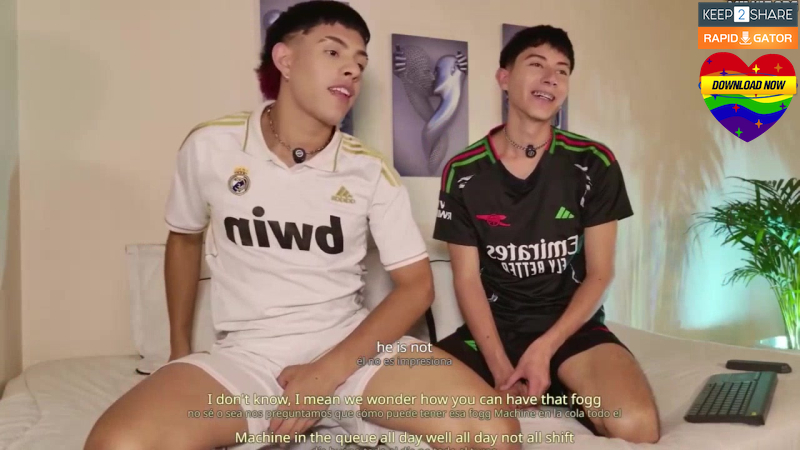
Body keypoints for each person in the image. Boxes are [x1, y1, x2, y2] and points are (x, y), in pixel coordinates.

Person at [83, 2, 521, 450]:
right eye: (333, 52)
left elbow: (418, 287)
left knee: (496, 433)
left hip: (351, 353)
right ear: (285, 60)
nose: (352, 69)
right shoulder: (210, 146)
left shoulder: (370, 170)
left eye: (360, 62)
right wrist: (178, 351)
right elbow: (183, 239)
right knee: (117, 444)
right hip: (249, 358)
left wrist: (325, 375)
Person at [432, 25, 661, 444]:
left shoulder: (594, 162)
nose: (551, 78)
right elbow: (466, 280)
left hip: (571, 329)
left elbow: (600, 273)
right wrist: (500, 368)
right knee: (411, 405)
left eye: (562, 70)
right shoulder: (463, 171)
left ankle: (562, 383)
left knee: (636, 425)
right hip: (494, 332)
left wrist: (544, 349)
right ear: (504, 78)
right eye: (536, 65)